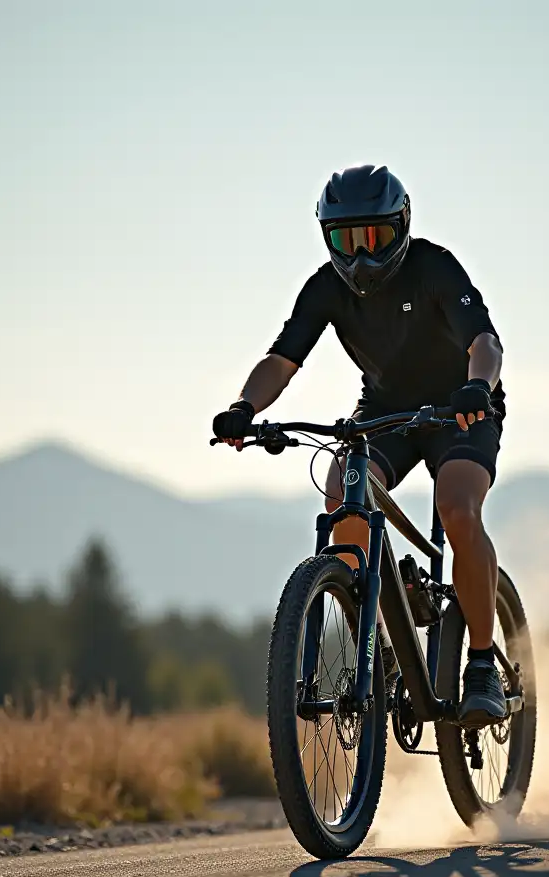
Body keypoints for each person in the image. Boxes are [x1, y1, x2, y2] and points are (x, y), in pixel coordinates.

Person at [211, 164, 507, 726]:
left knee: (456, 507)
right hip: (384, 412)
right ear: (328, 239)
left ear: (402, 227)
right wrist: (244, 409)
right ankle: (382, 645)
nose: (363, 256)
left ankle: (481, 663)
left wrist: (477, 387)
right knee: (342, 495)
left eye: (375, 237)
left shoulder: (434, 267)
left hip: (460, 407)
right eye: (348, 241)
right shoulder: (325, 288)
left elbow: (485, 343)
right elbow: (282, 359)